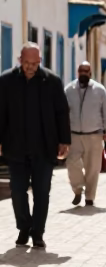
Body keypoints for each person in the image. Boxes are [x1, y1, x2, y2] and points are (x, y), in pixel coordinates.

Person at [0, 42, 70, 248]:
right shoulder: (6, 81)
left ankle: (38, 232)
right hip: (16, 147)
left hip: (44, 148)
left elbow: (62, 112)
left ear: (40, 61)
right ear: (20, 60)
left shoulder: (52, 82)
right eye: (27, 63)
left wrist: (64, 140)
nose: (31, 67)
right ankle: (24, 227)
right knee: (18, 191)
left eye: (35, 63)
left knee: (41, 193)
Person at [65, 62, 106, 206]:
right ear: (77, 72)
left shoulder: (99, 89)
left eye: (86, 71)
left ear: (90, 73)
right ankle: (78, 189)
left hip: (94, 134)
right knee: (72, 163)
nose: (83, 73)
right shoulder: (69, 90)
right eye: (81, 71)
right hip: (74, 135)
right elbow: (62, 112)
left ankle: (90, 197)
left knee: (93, 167)